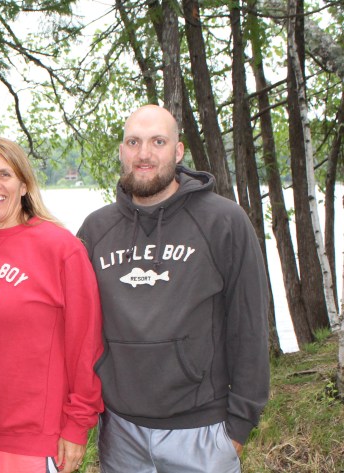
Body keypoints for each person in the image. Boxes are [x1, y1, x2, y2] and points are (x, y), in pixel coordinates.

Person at [76, 104, 270, 472]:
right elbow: (76, 327)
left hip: (202, 431)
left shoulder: (223, 221)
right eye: (133, 142)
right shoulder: (96, 230)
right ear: (122, 151)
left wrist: (239, 426)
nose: (144, 154)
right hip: (120, 432)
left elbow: (249, 324)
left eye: (158, 142)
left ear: (178, 151)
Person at [0, 136, 104, 473]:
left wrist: (77, 424)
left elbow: (86, 345)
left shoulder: (60, 248)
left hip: (33, 441)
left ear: (23, 184)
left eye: (4, 174)